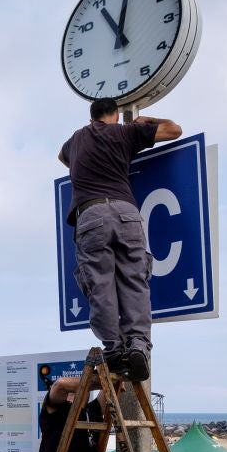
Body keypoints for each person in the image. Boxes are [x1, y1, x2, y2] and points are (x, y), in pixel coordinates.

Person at [60, 97, 181, 382]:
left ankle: (114, 350)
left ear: (91, 119)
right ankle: (138, 344)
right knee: (134, 281)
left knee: (100, 285)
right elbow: (174, 130)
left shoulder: (76, 140)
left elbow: (63, 157)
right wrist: (142, 121)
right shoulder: (125, 132)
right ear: (115, 115)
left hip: (90, 215)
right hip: (127, 213)